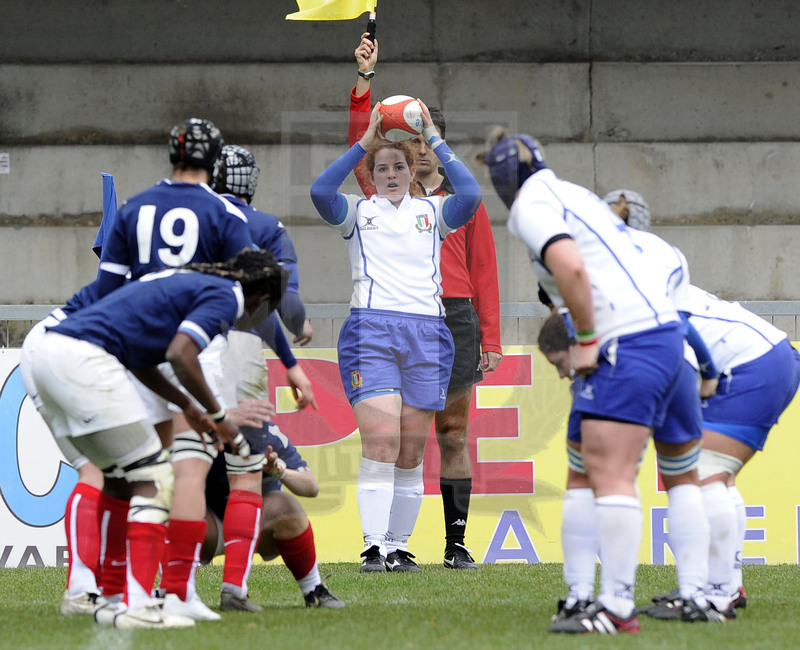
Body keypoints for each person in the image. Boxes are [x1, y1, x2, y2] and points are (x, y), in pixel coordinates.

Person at [481, 129, 686, 634]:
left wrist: (589, 336)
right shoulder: (572, 192)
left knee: (610, 472)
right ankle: (578, 596)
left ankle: (616, 606)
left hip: (628, 339)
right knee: (580, 466)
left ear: (504, 179)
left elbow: (571, 267)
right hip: (653, 333)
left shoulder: (531, 203)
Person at [27, 249, 287, 629]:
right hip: (83, 358)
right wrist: (219, 417)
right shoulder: (225, 295)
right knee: (154, 478)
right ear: (261, 299)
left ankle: (112, 597)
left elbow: (142, 359)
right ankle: (138, 603)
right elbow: (182, 355)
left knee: (116, 479)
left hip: (51, 352)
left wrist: (190, 407)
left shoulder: (180, 287)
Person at [350, 32, 503, 569]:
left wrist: (492, 335)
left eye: (419, 139)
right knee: (401, 437)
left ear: (431, 141)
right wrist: (365, 85)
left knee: (453, 433)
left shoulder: (457, 201)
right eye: (404, 139)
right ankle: (387, 545)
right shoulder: (383, 198)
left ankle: (456, 544)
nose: (412, 149)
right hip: (403, 318)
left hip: (455, 318)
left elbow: (485, 269)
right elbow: (359, 152)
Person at [311, 100, 482, 573]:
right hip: (372, 329)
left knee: (410, 450)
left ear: (412, 171)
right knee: (382, 440)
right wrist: (364, 144)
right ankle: (371, 546)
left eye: (399, 166)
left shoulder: (434, 212)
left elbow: (472, 193)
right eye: (381, 167)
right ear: (372, 174)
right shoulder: (356, 212)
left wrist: (435, 137)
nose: (390, 173)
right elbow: (320, 189)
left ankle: (397, 546)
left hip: (428, 333)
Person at [648, 284, 800, 615]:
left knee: (704, 473)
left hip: (751, 362)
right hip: (768, 353)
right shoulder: (636, 273)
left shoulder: (616, 291)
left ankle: (715, 594)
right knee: (719, 477)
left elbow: (677, 332)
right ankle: (726, 585)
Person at [202, 422, 345, 608]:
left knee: (286, 506)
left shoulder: (268, 434)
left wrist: (278, 471)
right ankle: (175, 592)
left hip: (255, 526)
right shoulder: (198, 433)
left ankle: (313, 589)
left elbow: (311, 487)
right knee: (178, 509)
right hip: (208, 527)